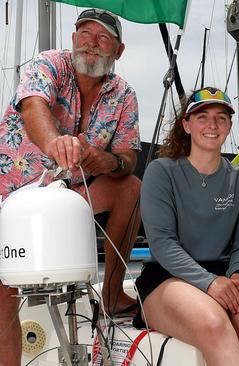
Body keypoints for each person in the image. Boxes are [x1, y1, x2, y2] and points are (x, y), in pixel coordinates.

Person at [0, 9, 141, 365]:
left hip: (67, 197)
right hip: (9, 198)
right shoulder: (49, 64)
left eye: (103, 38)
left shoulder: (123, 95)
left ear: (118, 51)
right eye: (85, 34)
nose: (91, 44)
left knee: (132, 187)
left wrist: (108, 162)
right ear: (73, 37)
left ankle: (111, 294)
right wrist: (54, 142)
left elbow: (128, 155)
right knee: (3, 299)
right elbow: (33, 105)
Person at [134, 87, 239, 366]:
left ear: (229, 125)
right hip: (166, 278)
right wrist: (209, 283)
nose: (212, 125)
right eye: (202, 117)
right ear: (186, 124)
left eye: (221, 118)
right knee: (215, 325)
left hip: (226, 274)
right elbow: (163, 243)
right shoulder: (161, 172)